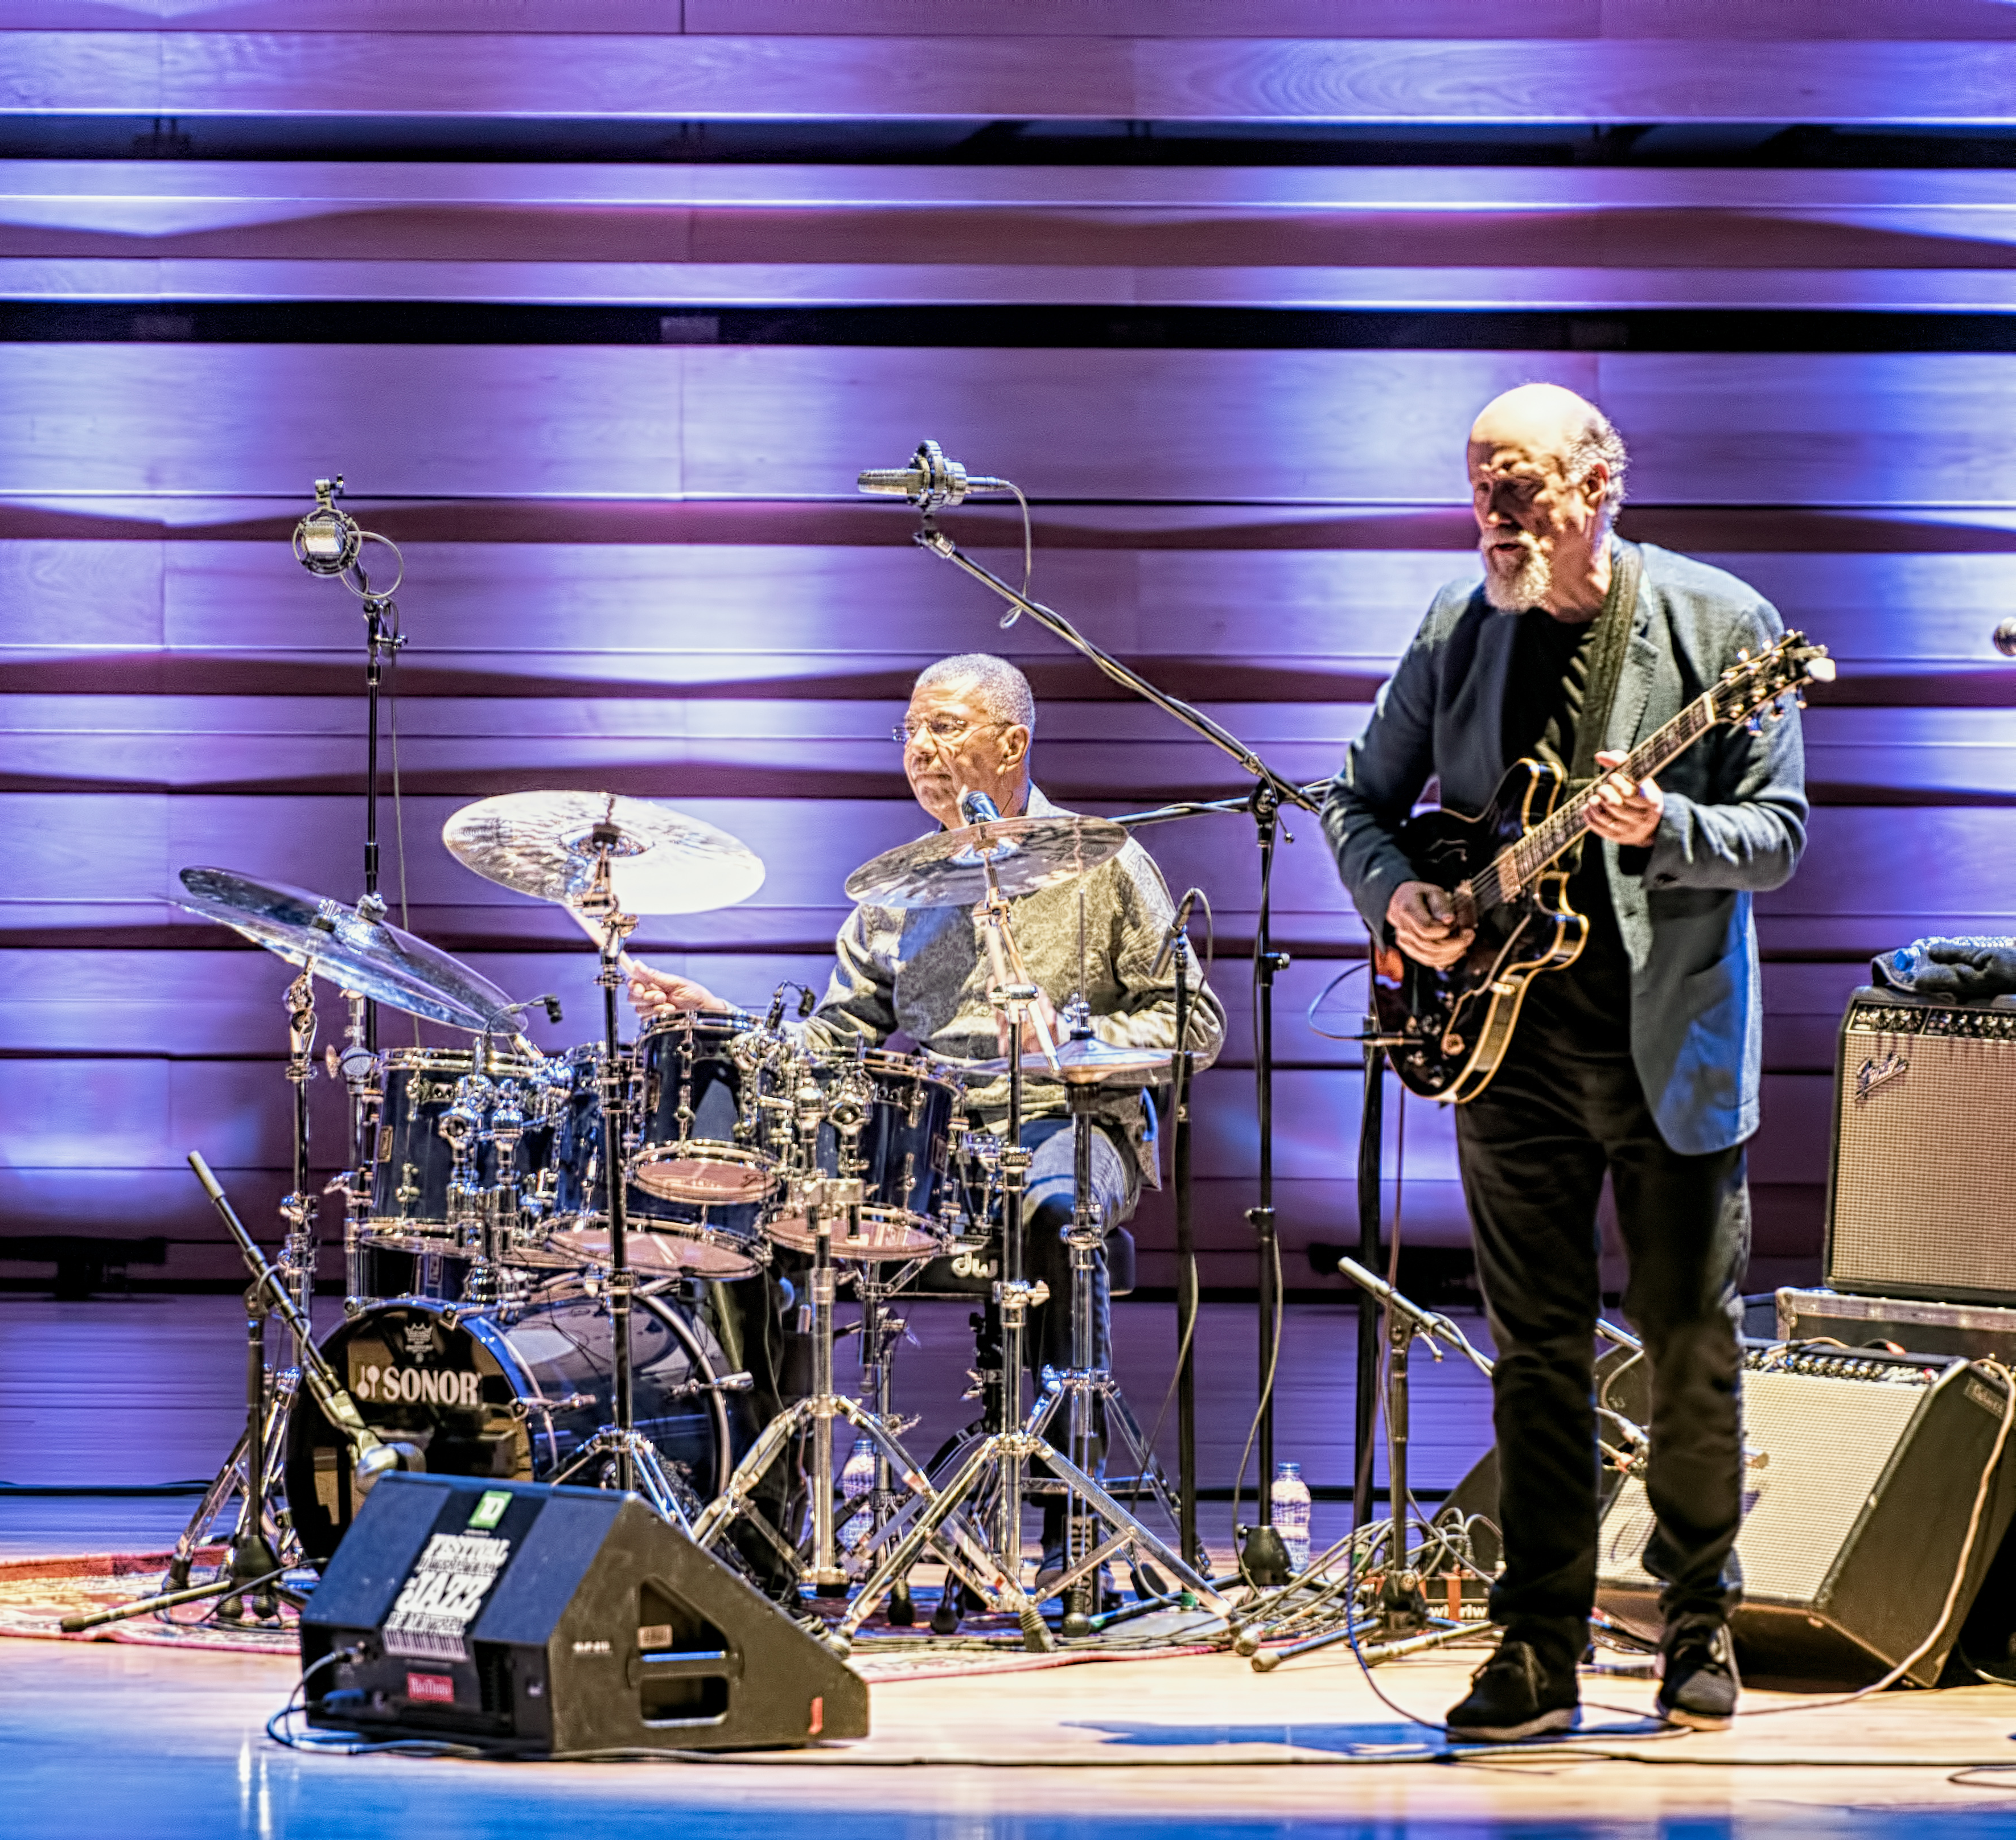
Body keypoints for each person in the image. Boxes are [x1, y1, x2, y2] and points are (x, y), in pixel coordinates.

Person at [1323, 383, 1807, 1740]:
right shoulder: (1457, 625)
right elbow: (1357, 800)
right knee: (1532, 1351)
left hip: (1671, 1046)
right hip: (1504, 1045)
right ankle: (1533, 1644)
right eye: (1479, 482)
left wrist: (1666, 825)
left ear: (1600, 481)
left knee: (1689, 1347)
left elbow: (1778, 833)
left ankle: (1698, 1620)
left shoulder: (1723, 628)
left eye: (1519, 483)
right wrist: (1398, 902)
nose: (1494, 509)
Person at [633, 652, 1224, 1570]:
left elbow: (1192, 1020)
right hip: (936, 1147)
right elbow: (833, 1042)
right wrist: (725, 1019)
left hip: (1076, 1125)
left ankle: (1072, 1537)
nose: (920, 749)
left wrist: (1066, 1037)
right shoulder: (894, 894)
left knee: (1056, 1212)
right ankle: (765, 1528)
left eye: (944, 728)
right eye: (909, 731)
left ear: (1013, 743)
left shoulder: (1104, 864)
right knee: (744, 1231)